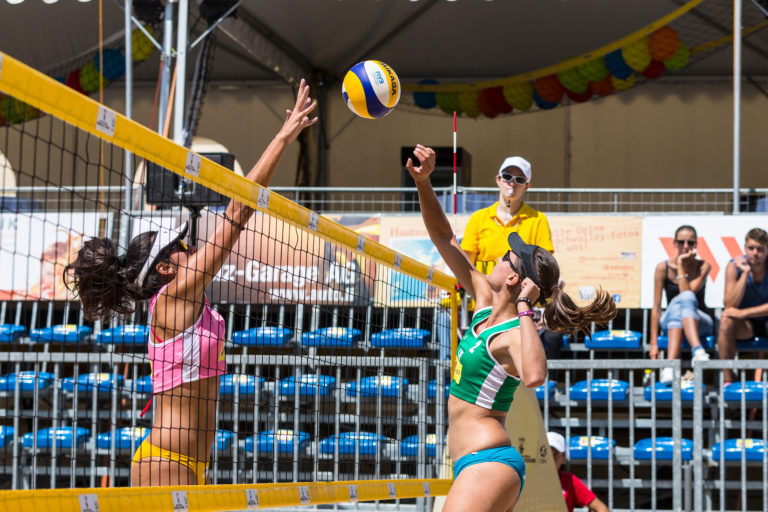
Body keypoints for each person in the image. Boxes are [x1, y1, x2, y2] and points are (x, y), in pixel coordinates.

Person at [63, 80, 318, 486]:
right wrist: (282, 138)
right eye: (182, 244)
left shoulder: (186, 302)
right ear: (165, 268)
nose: (192, 244)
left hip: (190, 462)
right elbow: (239, 211)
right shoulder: (173, 297)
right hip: (165, 460)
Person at [406, 144, 616, 511]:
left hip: (490, 463)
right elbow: (444, 238)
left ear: (515, 277)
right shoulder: (483, 300)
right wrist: (424, 183)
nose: (498, 256)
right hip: (472, 462)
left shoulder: (510, 335)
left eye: (506, 256)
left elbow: (535, 375)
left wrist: (524, 309)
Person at [460, 155, 554, 275]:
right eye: (507, 176)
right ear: (498, 180)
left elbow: (544, 265)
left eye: (519, 179)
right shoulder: (478, 218)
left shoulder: (538, 220)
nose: (512, 183)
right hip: (485, 290)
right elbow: (465, 263)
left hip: (522, 292)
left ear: (527, 186)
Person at [648, 225, 712, 385]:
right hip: (670, 319)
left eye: (690, 243)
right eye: (681, 242)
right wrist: (653, 343)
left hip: (700, 321)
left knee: (686, 299)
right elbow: (656, 307)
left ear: (696, 244)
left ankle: (669, 368)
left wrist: (681, 265)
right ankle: (697, 351)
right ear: (674, 243)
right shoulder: (663, 268)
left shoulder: (704, 265)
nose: (685, 246)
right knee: (677, 309)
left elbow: (687, 293)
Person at [718, 227, 768, 384]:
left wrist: (744, 312)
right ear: (744, 248)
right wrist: (745, 273)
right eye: (751, 248)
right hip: (746, 326)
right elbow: (729, 304)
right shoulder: (734, 266)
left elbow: (737, 311)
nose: (755, 253)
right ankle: (728, 381)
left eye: (760, 249)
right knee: (726, 321)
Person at [547, 432, 610, 512]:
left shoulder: (569, 480)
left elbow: (602, 508)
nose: (550, 458)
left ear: (563, 458)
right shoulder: (529, 479)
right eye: (545, 453)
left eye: (555, 454)